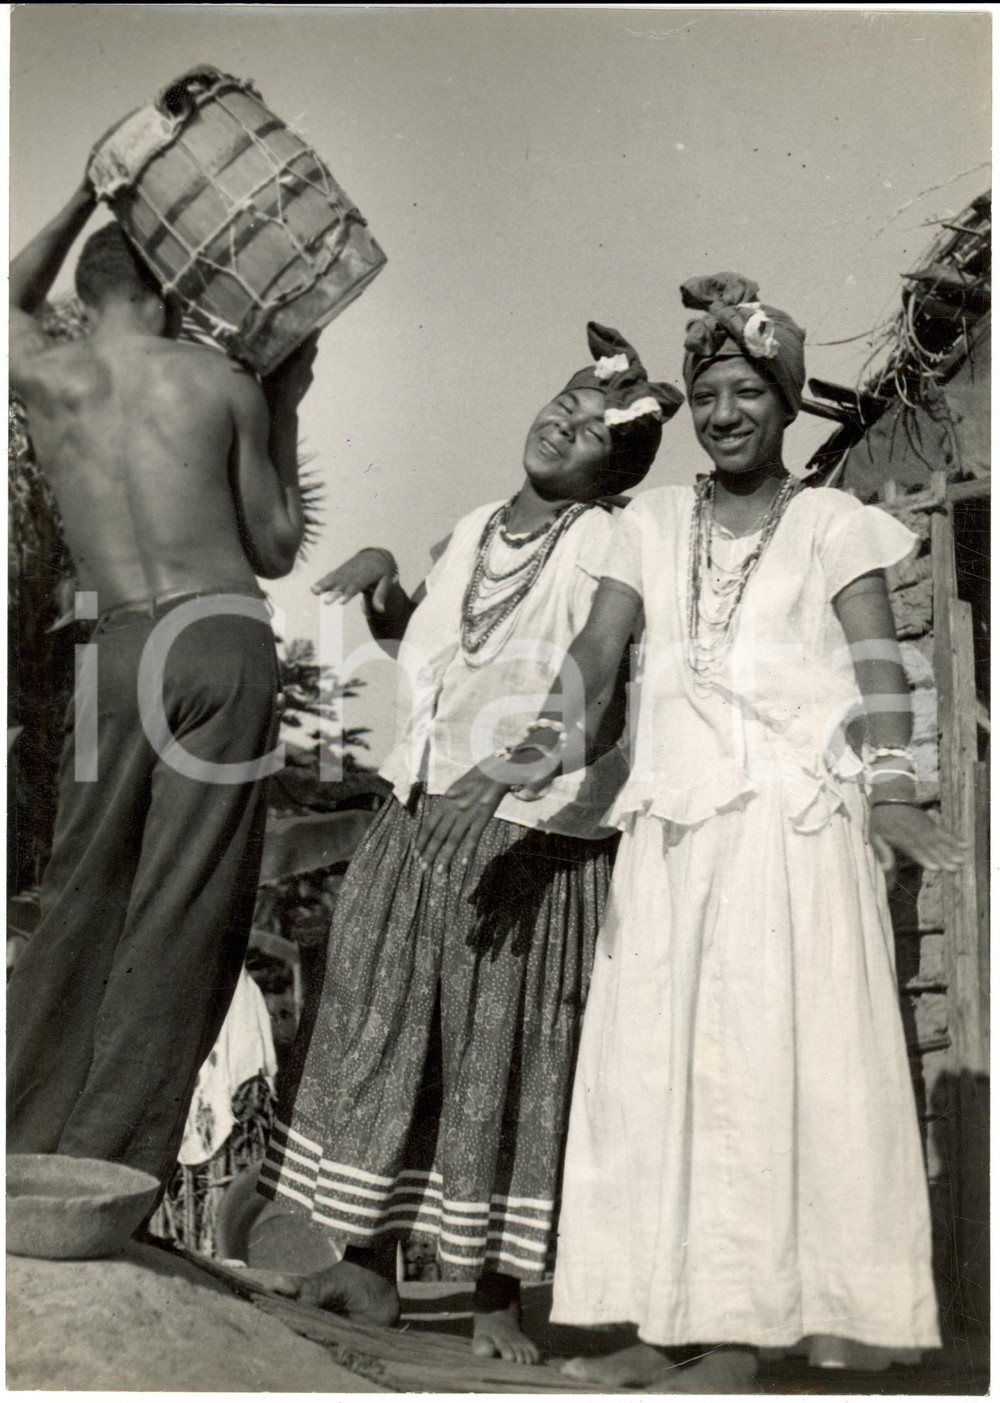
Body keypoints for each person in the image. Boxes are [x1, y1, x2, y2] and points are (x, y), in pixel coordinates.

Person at [424, 275, 969, 1391]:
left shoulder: (830, 524)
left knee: (752, 1077)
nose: (723, 413)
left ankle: (736, 1341)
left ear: (782, 406)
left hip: (787, 837)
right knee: (650, 1080)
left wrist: (894, 787)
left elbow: (877, 670)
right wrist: (527, 750)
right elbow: (593, 668)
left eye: (746, 394)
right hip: (672, 839)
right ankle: (653, 1321)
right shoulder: (646, 526)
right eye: (708, 393)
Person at [257, 325, 683, 1361]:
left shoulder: (608, 541)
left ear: (611, 469)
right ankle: (365, 1268)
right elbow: (444, 642)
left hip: (526, 833)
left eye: (590, 429)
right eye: (562, 404)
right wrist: (384, 582)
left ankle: (493, 1290)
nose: (564, 424)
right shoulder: (477, 525)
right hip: (420, 812)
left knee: (500, 1047)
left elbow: (592, 669)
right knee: (383, 1022)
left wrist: (510, 775)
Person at [7, 172, 316, 1186]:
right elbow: (272, 544)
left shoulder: (46, 375)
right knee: (183, 906)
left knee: (77, 890)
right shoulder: (217, 380)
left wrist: (82, 193)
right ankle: (110, 1172)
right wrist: (286, 397)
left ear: (87, 293)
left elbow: (9, 295)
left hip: (113, 651)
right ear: (169, 289)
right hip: (218, 633)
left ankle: (22, 1148)